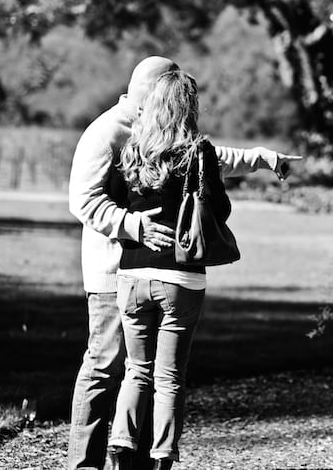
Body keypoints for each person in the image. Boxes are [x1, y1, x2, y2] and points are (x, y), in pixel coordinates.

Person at [67, 56, 299, 470]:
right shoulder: (107, 132)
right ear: (155, 89)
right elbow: (83, 200)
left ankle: (132, 462)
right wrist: (132, 225)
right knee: (105, 367)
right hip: (110, 271)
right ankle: (83, 464)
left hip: (138, 274)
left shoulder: (154, 127)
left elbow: (208, 157)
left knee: (141, 372)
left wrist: (261, 157)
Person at [106, 70, 227, 469]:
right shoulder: (199, 151)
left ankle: (121, 444)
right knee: (169, 378)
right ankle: (161, 456)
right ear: (188, 106)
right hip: (180, 277)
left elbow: (120, 203)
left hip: (132, 277)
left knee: (135, 371)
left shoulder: (135, 148)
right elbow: (219, 210)